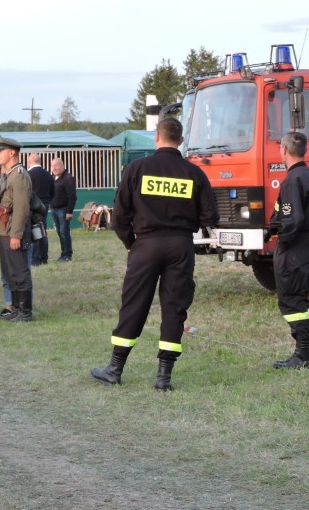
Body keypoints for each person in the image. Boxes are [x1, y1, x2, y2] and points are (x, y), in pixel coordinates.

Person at [91, 118, 218, 390]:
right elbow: (211, 216)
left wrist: (130, 242)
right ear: (181, 141)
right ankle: (163, 379)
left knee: (134, 305)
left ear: (156, 137)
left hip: (145, 245)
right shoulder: (194, 173)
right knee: (175, 307)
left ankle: (114, 369)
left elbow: (119, 217)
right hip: (181, 246)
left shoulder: (137, 169)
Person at [270, 131, 309, 369]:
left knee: (293, 299)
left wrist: (282, 241)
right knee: (298, 298)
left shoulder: (293, 180)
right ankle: (303, 354)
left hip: (295, 248)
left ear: (284, 150)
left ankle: (302, 356)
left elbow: (292, 220)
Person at [0, 136, 34, 322]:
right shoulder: (9, 174)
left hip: (13, 231)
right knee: (10, 272)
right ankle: (16, 309)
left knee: (19, 271)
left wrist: (16, 235)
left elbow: (22, 208)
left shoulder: (19, 175)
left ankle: (25, 312)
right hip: (4, 230)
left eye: (0, 151)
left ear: (12, 152)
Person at [27, 153, 54, 265]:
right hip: (45, 204)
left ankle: (35, 259)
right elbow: (53, 191)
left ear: (30, 162)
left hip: (33, 206)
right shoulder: (48, 175)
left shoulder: (28, 175)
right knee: (43, 230)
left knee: (34, 231)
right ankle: (44, 257)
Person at [49, 157, 76, 261]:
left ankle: (67, 255)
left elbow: (72, 197)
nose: (54, 168)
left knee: (64, 232)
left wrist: (69, 211)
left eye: (56, 165)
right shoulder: (53, 178)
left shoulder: (68, 178)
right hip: (54, 209)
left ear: (62, 166)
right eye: (52, 166)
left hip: (63, 210)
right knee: (60, 233)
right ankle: (63, 253)